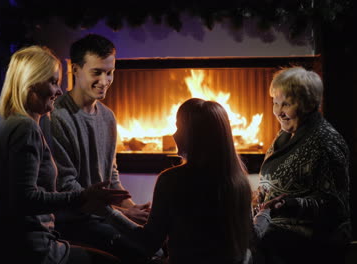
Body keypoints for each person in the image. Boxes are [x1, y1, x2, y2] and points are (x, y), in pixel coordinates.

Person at [0, 45, 131, 264]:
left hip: (0, 243)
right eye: (53, 82)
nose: (59, 91)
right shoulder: (25, 129)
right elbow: (25, 199)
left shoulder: (1, 124)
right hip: (23, 248)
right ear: (31, 83)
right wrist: (83, 197)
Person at [102, 98, 285, 264]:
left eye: (178, 127)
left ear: (194, 136)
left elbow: (148, 243)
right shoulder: (238, 182)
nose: (173, 135)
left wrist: (108, 212)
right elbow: (250, 237)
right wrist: (265, 213)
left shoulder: (171, 181)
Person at [41, 33, 152, 261]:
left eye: (110, 73)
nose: (105, 80)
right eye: (97, 72)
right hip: (73, 221)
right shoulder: (56, 118)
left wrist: (135, 211)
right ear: (76, 70)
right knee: (140, 254)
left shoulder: (108, 117)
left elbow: (111, 178)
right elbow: (68, 189)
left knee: (159, 245)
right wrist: (125, 216)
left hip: (105, 215)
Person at [254, 66, 352, 264]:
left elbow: (336, 206)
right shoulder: (287, 134)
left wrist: (289, 205)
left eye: (286, 104)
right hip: (277, 226)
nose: (278, 112)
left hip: (312, 239)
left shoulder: (325, 143)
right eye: (275, 103)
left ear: (308, 104)